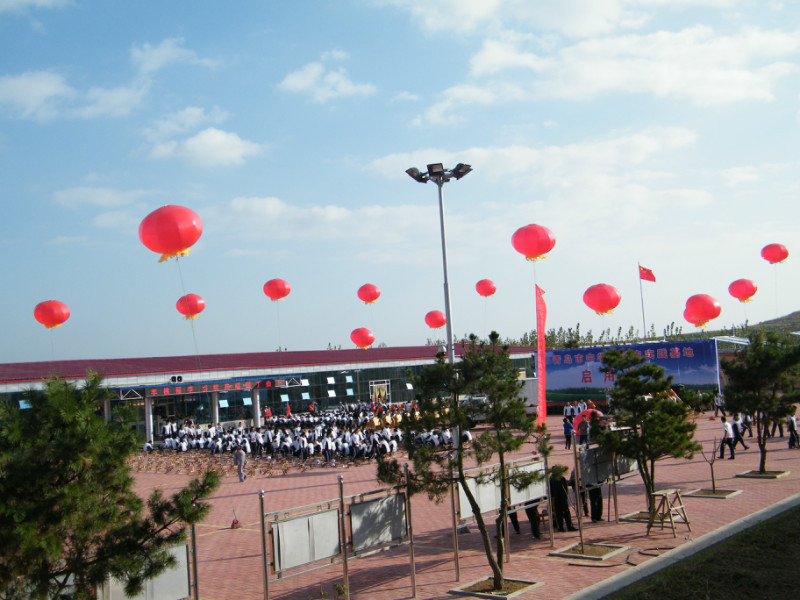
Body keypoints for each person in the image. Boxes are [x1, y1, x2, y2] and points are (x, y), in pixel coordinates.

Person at [549, 466, 576, 532]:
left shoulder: (559, 478)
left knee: (565, 512)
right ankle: (562, 527)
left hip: (562, 498)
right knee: (560, 513)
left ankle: (568, 526)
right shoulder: (553, 479)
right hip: (558, 499)